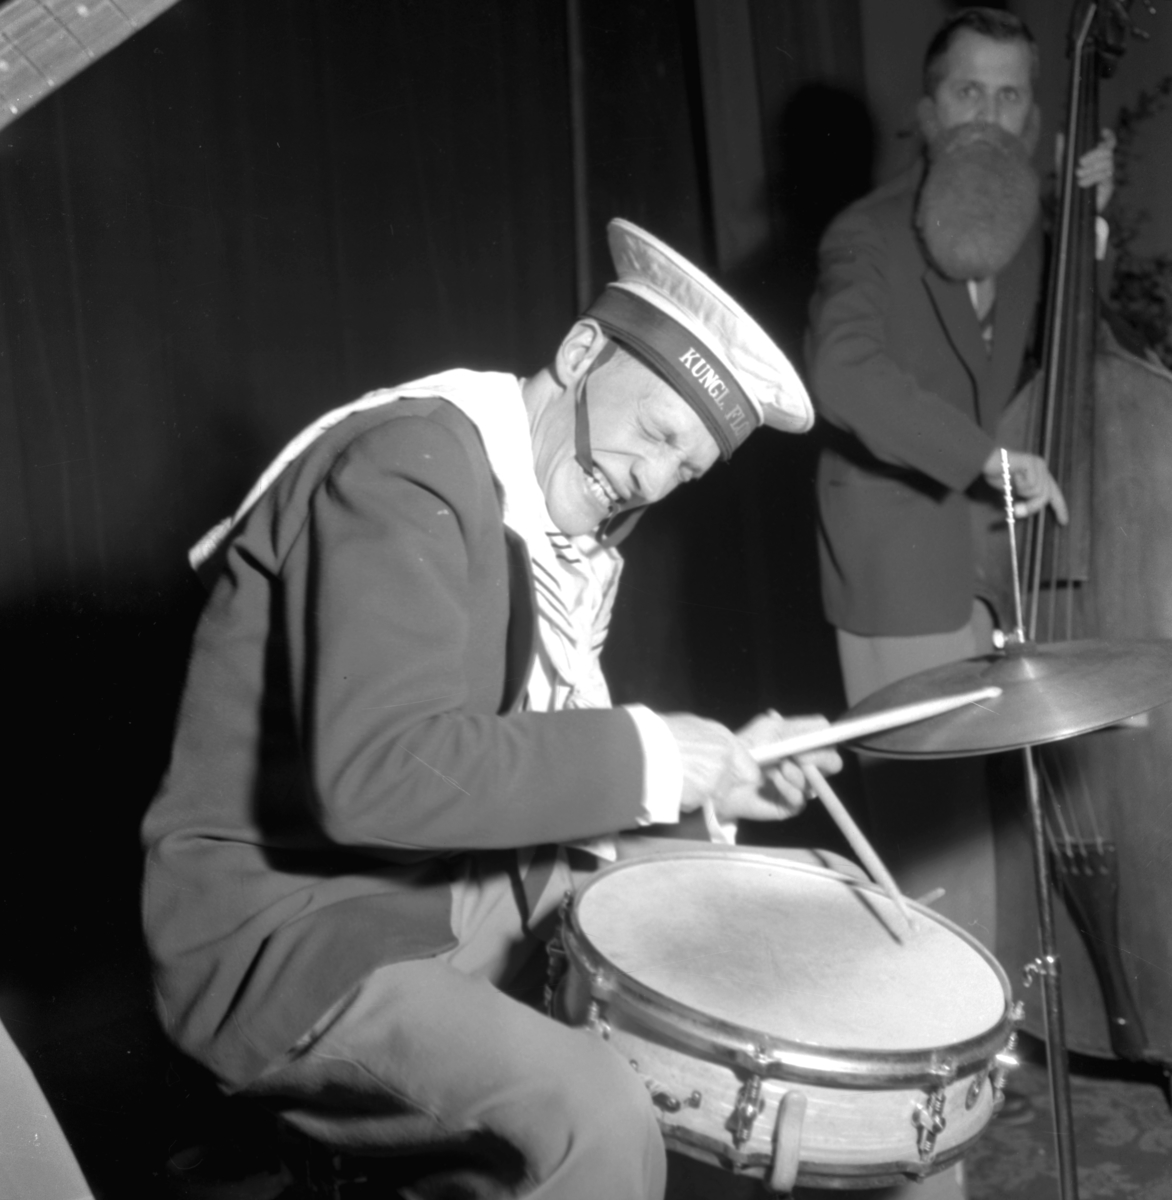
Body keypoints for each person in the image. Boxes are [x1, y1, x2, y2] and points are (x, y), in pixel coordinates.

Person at [142, 217, 845, 1200]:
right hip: (290, 933)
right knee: (593, 1113)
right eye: (654, 434)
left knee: (784, 922)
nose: (650, 480)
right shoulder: (410, 468)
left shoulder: (546, 527)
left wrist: (714, 783)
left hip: (431, 882)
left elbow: (515, 768)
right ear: (580, 354)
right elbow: (379, 776)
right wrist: (654, 757)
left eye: (685, 469)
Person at [806, 12, 1113, 1196]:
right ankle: (919, 1157)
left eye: (1010, 97)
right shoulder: (861, 234)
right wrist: (982, 461)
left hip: (1008, 569)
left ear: (1032, 120)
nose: (988, 116)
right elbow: (842, 372)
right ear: (927, 111)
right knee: (933, 880)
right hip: (905, 570)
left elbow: (1058, 362)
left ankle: (975, 1089)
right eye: (967, 93)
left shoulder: (1025, 227)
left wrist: (1085, 227)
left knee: (996, 854)